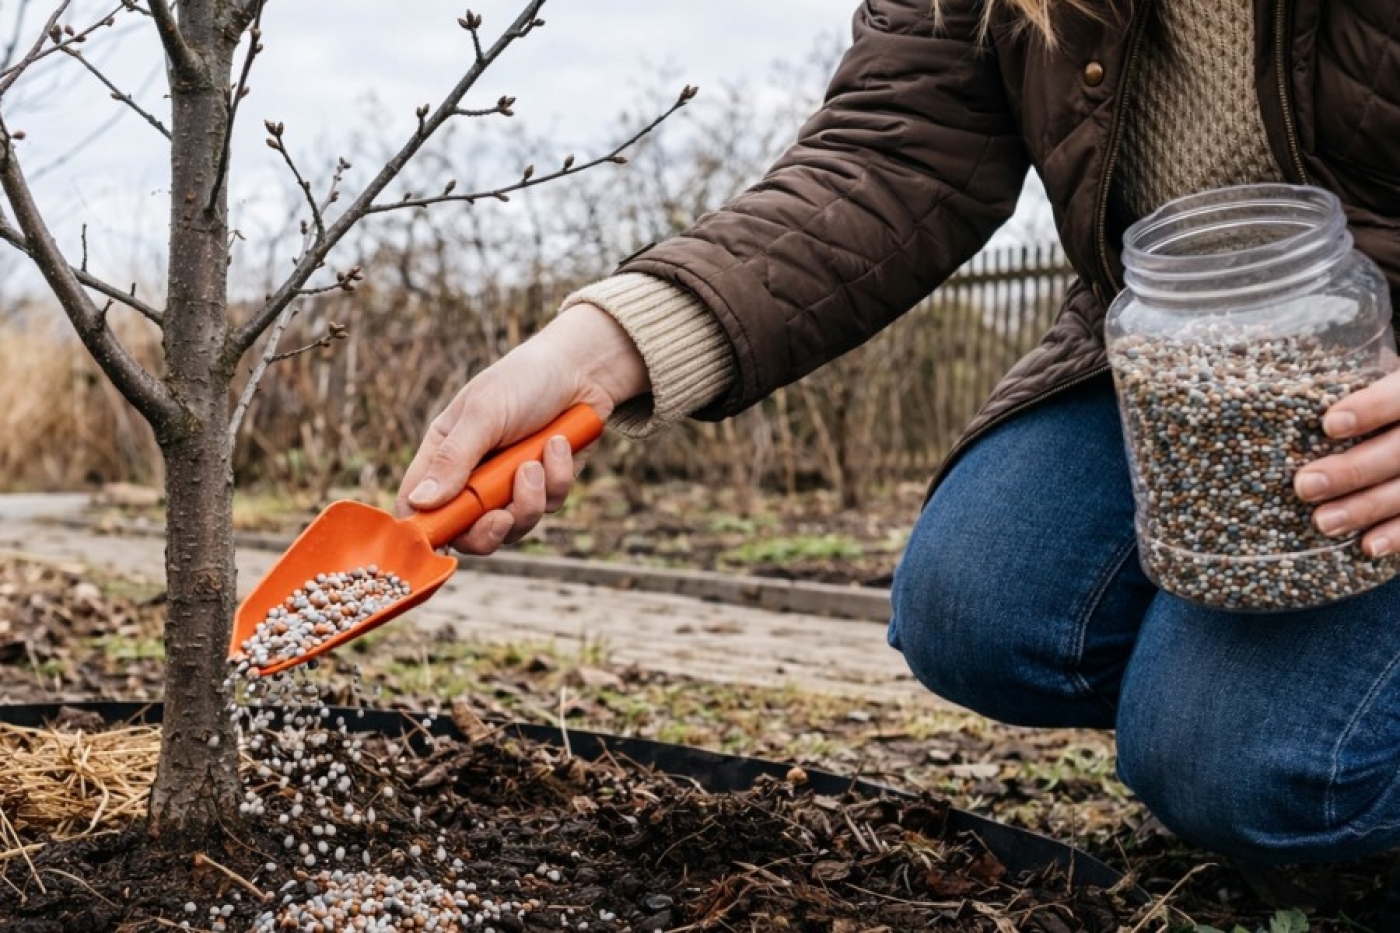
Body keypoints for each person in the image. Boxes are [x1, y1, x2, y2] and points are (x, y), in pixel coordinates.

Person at [397, 0, 1400, 867]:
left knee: (1255, 763)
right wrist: (598, 351)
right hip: (1177, 343)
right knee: (977, 608)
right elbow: (895, 149)